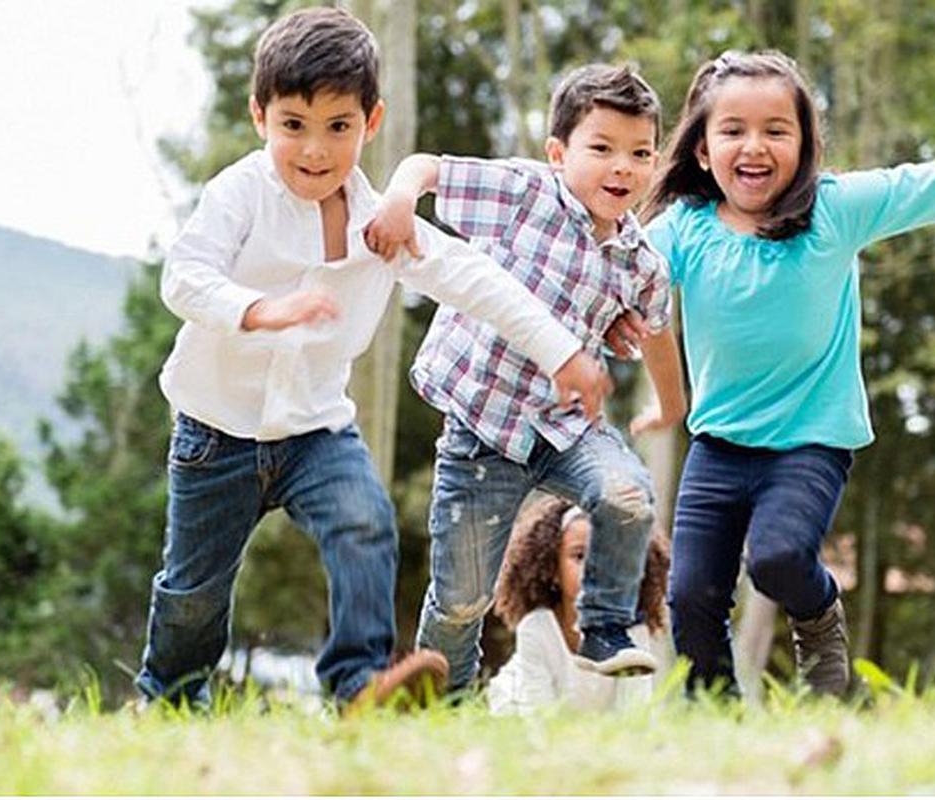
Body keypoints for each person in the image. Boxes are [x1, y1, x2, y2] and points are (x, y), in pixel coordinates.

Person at [135, 6, 609, 711]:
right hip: (216, 434)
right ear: (260, 116)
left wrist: (562, 351)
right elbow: (186, 276)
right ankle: (169, 696)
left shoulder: (379, 224)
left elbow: (477, 280)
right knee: (194, 590)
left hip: (315, 430)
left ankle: (358, 685)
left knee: (365, 520)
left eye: (338, 127)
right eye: (293, 125)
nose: (315, 151)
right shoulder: (240, 193)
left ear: (372, 121)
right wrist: (261, 309)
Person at [634, 49, 935, 698]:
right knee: (692, 594)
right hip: (718, 445)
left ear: (805, 144)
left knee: (780, 558)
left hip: (810, 441)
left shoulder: (835, 211)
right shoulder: (682, 232)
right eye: (733, 130)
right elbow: (615, 279)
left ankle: (819, 616)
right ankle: (715, 713)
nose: (754, 146)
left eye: (776, 130)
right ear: (702, 150)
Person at [364, 62, 686, 691]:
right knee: (462, 599)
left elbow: (657, 334)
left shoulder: (641, 260)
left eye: (640, 153)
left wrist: (671, 406)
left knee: (628, 495)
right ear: (559, 152)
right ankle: (440, 703)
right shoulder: (525, 192)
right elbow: (427, 167)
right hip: (483, 432)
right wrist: (399, 201)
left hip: (568, 428)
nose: (622, 167)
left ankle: (603, 624)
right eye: (602, 149)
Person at [488, 496, 670, 715]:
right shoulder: (537, 628)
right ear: (553, 569)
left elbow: (634, 715)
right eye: (580, 556)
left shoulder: (633, 632)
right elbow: (537, 715)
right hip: (519, 709)